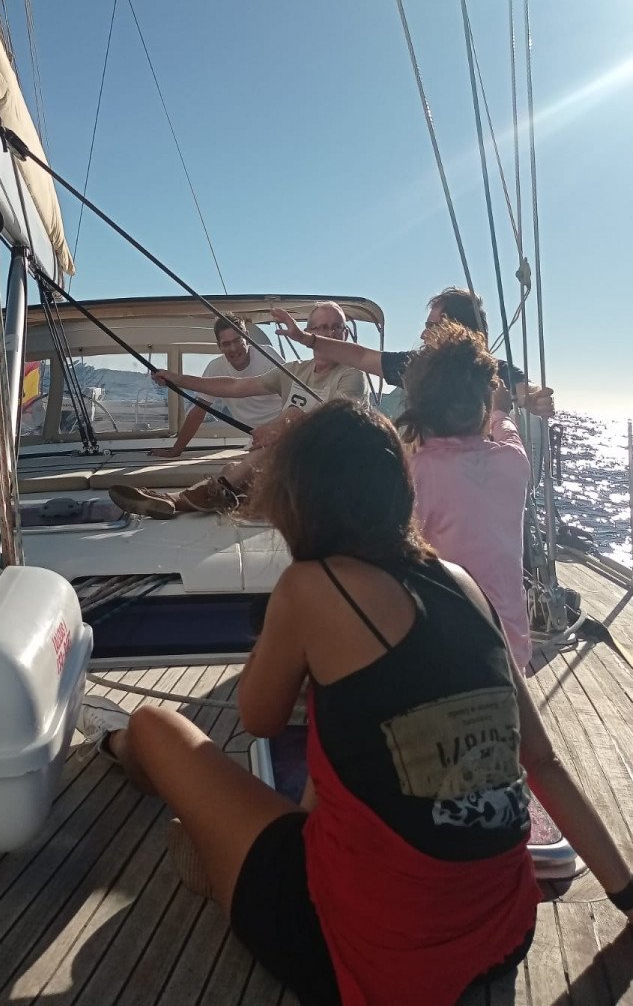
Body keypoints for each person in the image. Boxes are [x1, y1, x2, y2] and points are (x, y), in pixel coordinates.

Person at [79, 401, 633, 1006]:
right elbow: (543, 762)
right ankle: (220, 857)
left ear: (297, 498)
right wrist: (626, 893)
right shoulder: (461, 582)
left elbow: (257, 719)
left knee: (157, 726)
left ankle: (117, 744)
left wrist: (293, 642)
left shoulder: (312, 585)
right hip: (503, 934)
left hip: (366, 952)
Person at [109, 302, 368, 518]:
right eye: (322, 327)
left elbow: (337, 418)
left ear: (345, 334)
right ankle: (232, 498)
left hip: (327, 469)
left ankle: (177, 501)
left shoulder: (351, 375)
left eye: (336, 327)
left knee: (277, 440)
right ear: (309, 332)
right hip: (292, 467)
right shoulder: (296, 370)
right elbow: (235, 386)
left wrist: (281, 426)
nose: (330, 334)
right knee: (234, 467)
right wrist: (178, 379)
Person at [397, 321, 533, 670]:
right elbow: (505, 428)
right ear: (482, 404)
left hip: (448, 657)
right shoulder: (514, 461)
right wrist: (501, 409)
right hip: (511, 654)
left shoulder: (416, 473)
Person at [272, 287, 555, 417]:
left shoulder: (492, 370)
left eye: (431, 327)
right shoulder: (418, 366)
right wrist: (305, 338)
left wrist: (534, 397)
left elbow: (524, 388)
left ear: (456, 331)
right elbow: (359, 356)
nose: (422, 335)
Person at [148, 315, 281, 459]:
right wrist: (175, 451)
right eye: (226, 344)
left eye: (237, 340)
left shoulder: (268, 355)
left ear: (247, 337)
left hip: (285, 430)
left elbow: (294, 396)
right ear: (219, 346)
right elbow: (198, 411)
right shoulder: (215, 368)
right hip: (258, 439)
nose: (233, 348)